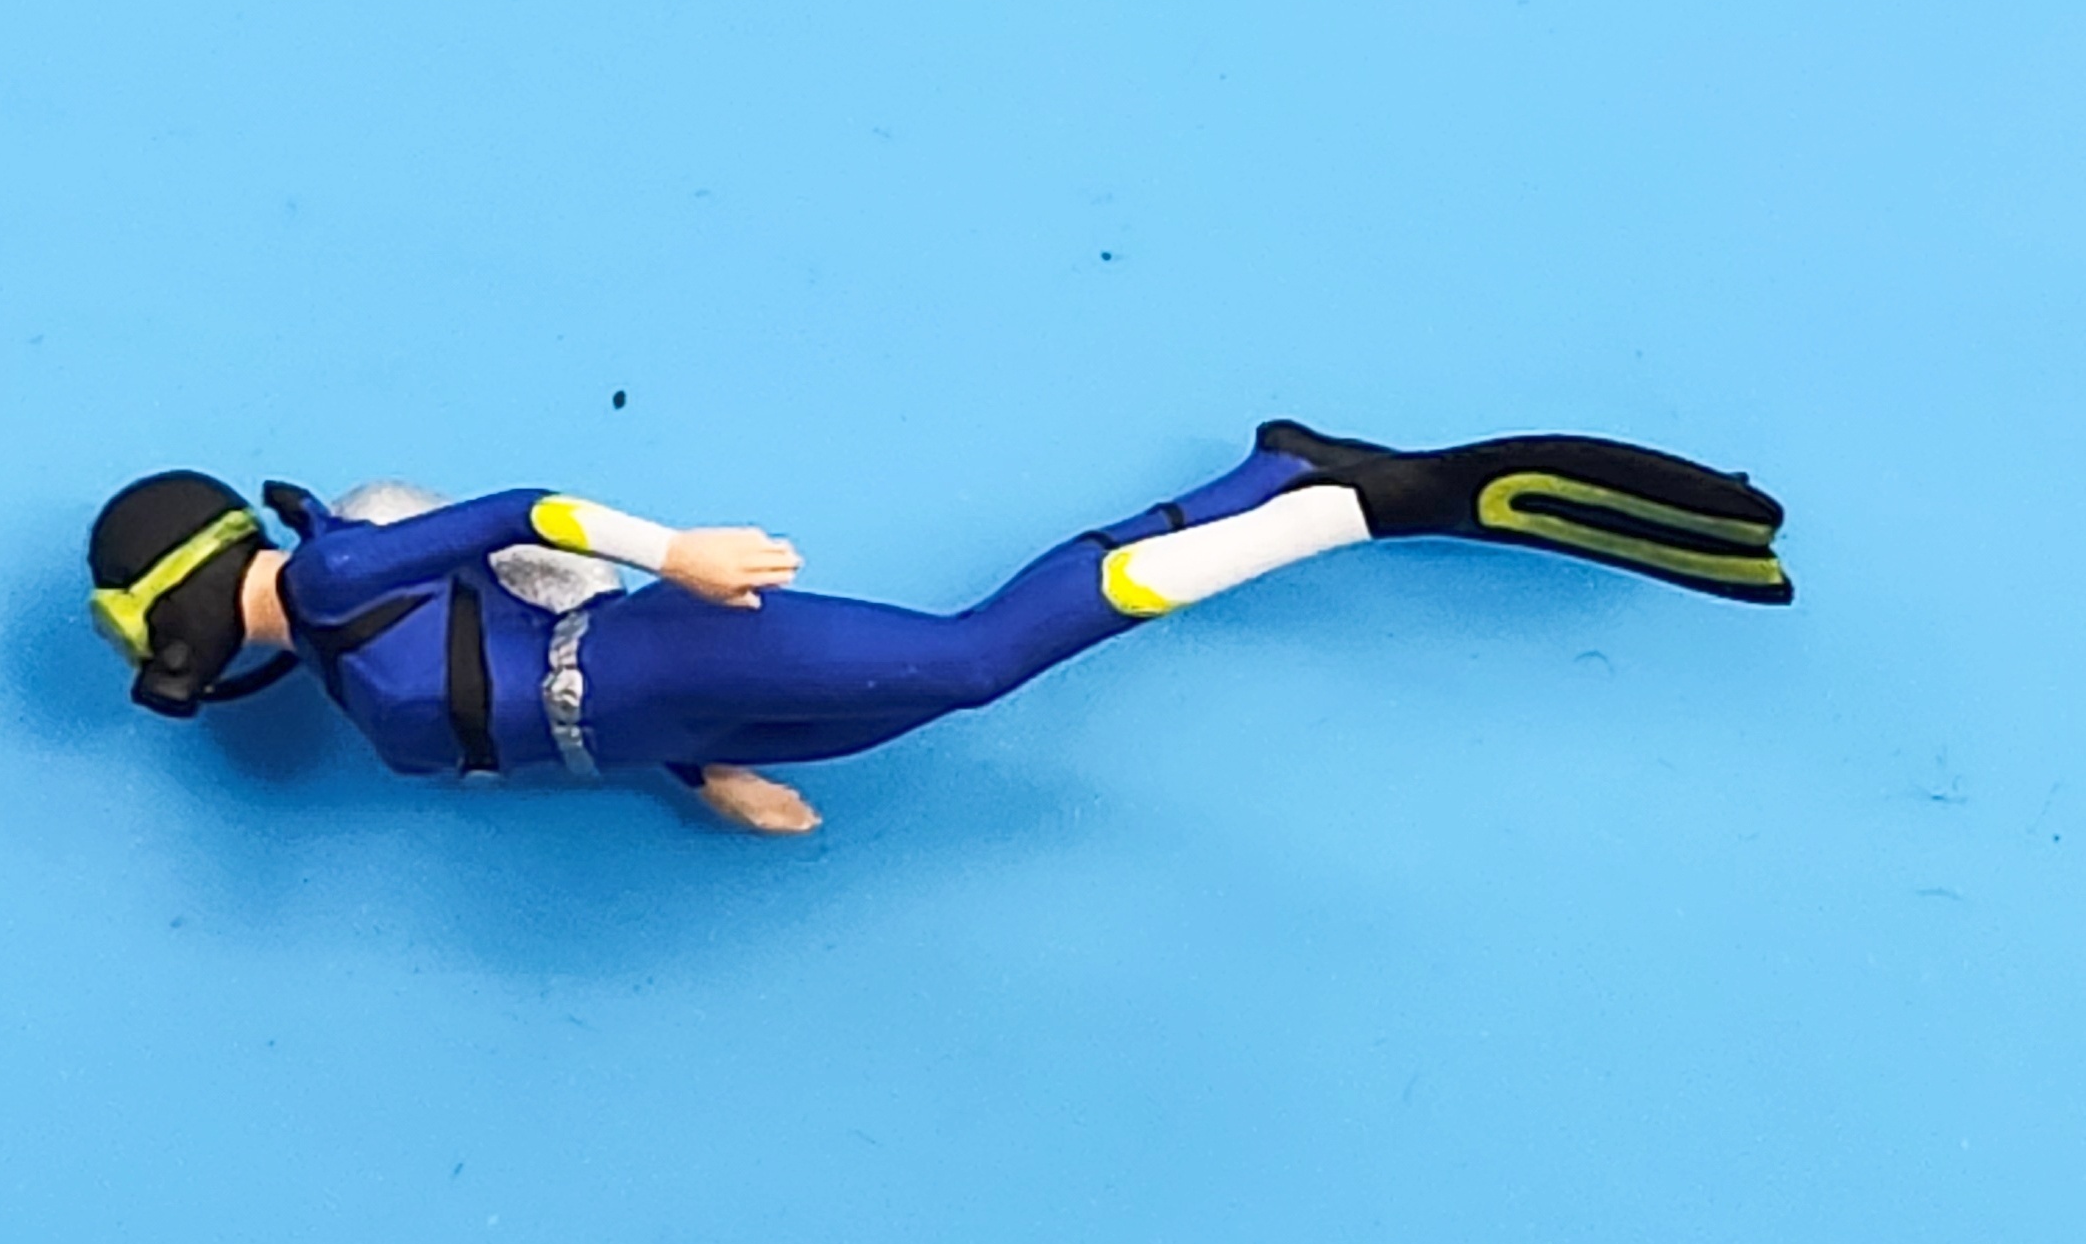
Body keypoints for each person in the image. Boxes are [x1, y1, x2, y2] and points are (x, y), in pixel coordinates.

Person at [87, 421, 1791, 833]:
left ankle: (1329, 505)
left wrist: (677, 551)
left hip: (670, 647)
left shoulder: (336, 585)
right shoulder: (350, 672)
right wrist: (708, 776)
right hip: (672, 713)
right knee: (962, 680)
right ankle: (1277, 476)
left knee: (978, 657)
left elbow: (526, 516)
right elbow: (528, 714)